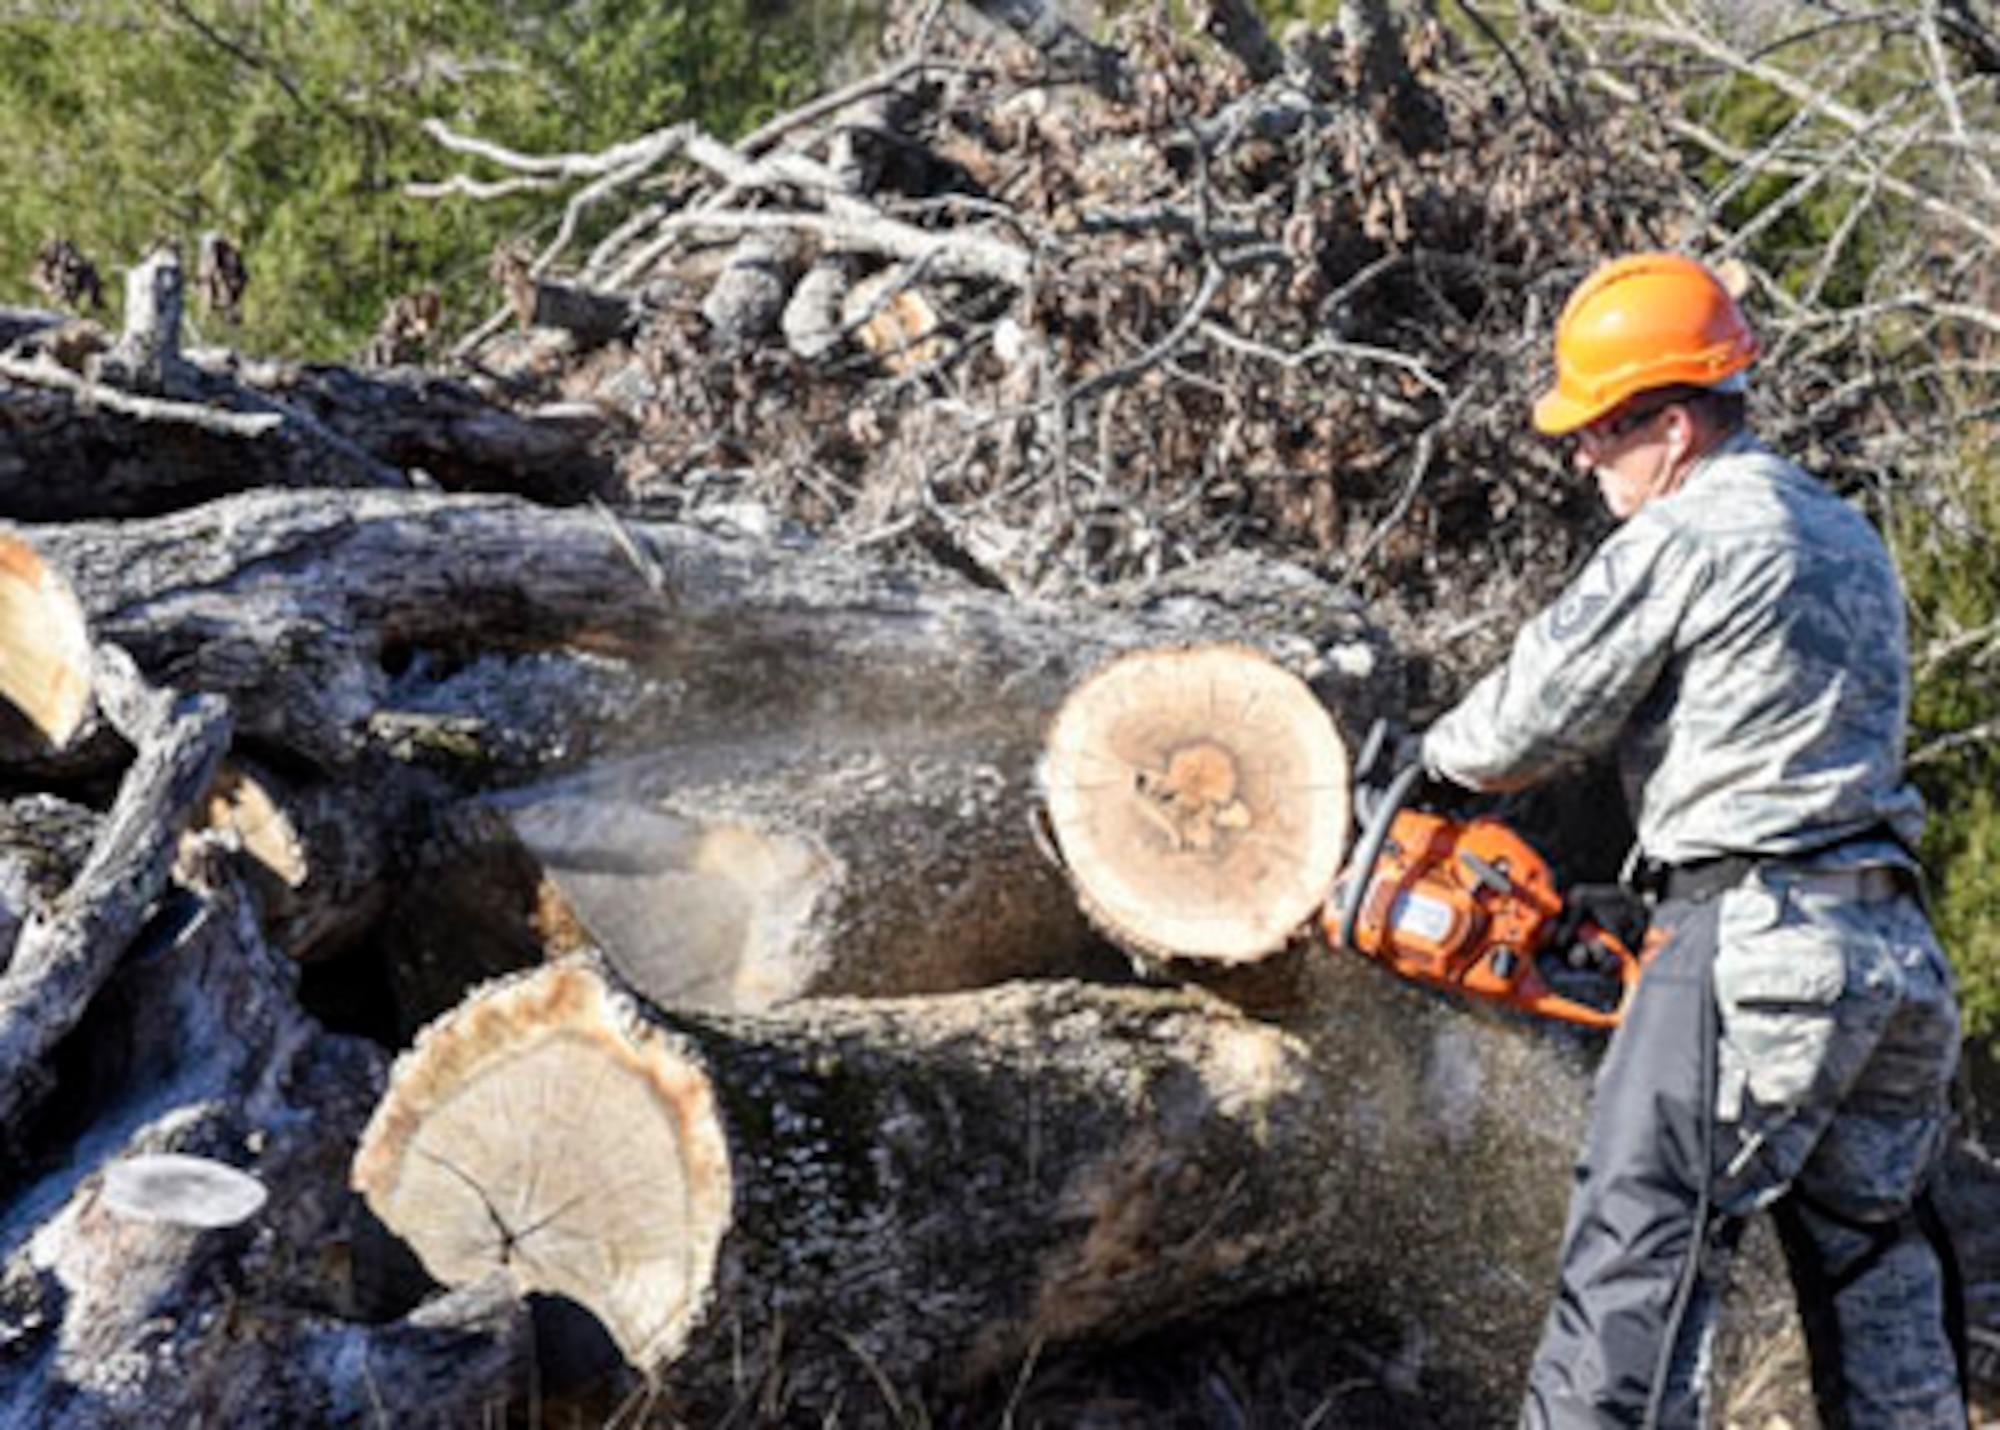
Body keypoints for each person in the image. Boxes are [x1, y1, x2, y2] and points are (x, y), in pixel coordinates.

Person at [1416, 252, 1967, 1427]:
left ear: (1670, 425)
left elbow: (1526, 716)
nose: (1580, 457)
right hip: (1889, 954)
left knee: (1638, 1251)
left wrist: (1422, 772)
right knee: (1877, 1267)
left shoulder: (1686, 533)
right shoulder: (1845, 533)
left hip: (1753, 946)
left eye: (1599, 431)